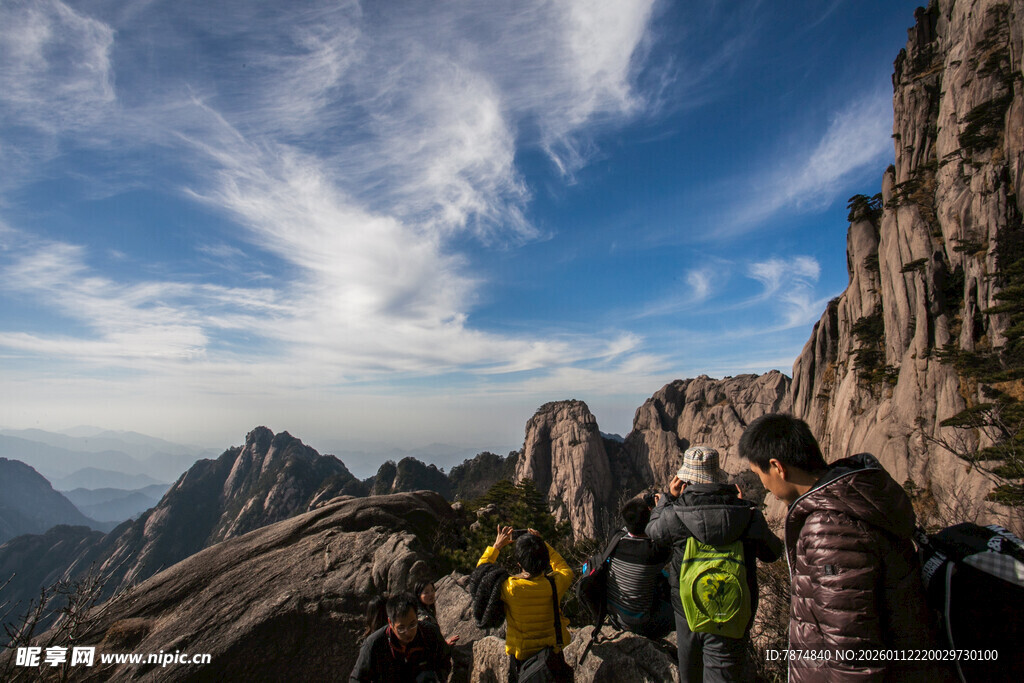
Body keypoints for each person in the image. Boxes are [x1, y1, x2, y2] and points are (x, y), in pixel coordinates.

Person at [737, 413, 950, 683]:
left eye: (760, 474)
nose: (763, 484)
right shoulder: (849, 499)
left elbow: (852, 652)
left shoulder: (829, 529)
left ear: (778, 467)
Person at [646, 445, 783, 683]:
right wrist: (744, 507)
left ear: (686, 479)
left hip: (687, 609)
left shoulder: (675, 515)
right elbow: (773, 552)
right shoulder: (747, 515)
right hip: (732, 611)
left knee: (690, 675)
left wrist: (667, 499)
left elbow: (652, 532)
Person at [476, 526, 574, 683]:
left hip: (522, 659)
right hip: (553, 656)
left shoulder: (510, 588)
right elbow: (564, 569)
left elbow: (482, 575)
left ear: (519, 563)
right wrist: (541, 543)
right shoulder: (554, 584)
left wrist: (496, 547)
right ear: (544, 560)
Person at [604, 497, 674, 638]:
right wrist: (662, 506)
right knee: (678, 610)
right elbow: (667, 538)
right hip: (638, 623)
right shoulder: (654, 553)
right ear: (648, 520)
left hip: (613, 614)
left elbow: (632, 526)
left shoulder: (616, 539)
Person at [349, 591, 452, 682]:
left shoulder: (430, 633)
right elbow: (357, 679)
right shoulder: (374, 643)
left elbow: (444, 660)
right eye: (401, 628)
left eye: (412, 625)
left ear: (417, 617)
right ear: (390, 622)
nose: (408, 632)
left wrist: (437, 677)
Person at [413, 579, 459, 645]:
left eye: (432, 590)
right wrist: (445, 645)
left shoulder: (427, 610)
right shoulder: (421, 617)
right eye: (426, 592)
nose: (431, 594)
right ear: (418, 595)